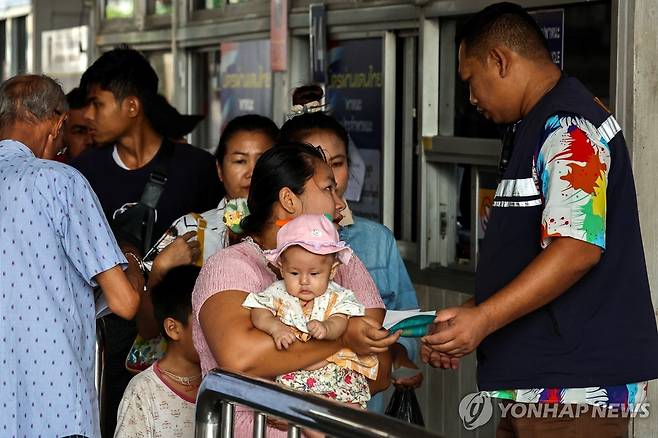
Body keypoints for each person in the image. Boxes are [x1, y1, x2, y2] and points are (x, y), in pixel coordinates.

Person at [421, 3, 658, 437]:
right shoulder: (532, 128)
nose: (471, 99)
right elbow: (536, 258)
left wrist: (485, 318)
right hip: (536, 381)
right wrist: (470, 316)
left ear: (500, 60)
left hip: (574, 388)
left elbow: (577, 250)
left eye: (471, 81)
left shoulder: (568, 128)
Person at [192, 143, 401, 436]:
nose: (340, 204)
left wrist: (288, 381)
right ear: (289, 200)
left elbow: (379, 367)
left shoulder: (344, 261)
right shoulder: (231, 266)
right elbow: (242, 357)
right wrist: (344, 336)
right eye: (328, 189)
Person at [71, 46, 223, 436]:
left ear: (132, 107)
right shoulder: (81, 173)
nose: (87, 116)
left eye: (97, 103)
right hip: (106, 346)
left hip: (183, 344)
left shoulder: (197, 169)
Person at [0, 74, 141, 437]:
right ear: (58, 122)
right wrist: (132, 261)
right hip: (53, 406)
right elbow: (124, 303)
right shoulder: (59, 181)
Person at [279, 97, 423, 412]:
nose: (328, 174)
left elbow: (409, 320)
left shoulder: (377, 241)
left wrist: (398, 351)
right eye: (313, 164)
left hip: (365, 410)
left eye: (338, 163)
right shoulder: (274, 248)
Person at [244, 214, 377, 409]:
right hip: (294, 373)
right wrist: (275, 327)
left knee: (352, 412)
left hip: (333, 373)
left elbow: (342, 320)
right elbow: (259, 311)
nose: (304, 281)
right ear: (281, 267)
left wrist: (328, 327)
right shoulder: (278, 292)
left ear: (332, 270)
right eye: (294, 273)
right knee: (299, 412)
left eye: (314, 274)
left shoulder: (337, 295)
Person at [114, 266, 201, 438]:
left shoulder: (220, 384)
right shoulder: (143, 391)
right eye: (205, 319)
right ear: (173, 328)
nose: (218, 330)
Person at [58, 86, 95, 161]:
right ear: (62, 134)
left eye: (94, 130)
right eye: (80, 132)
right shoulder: (49, 171)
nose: (89, 141)